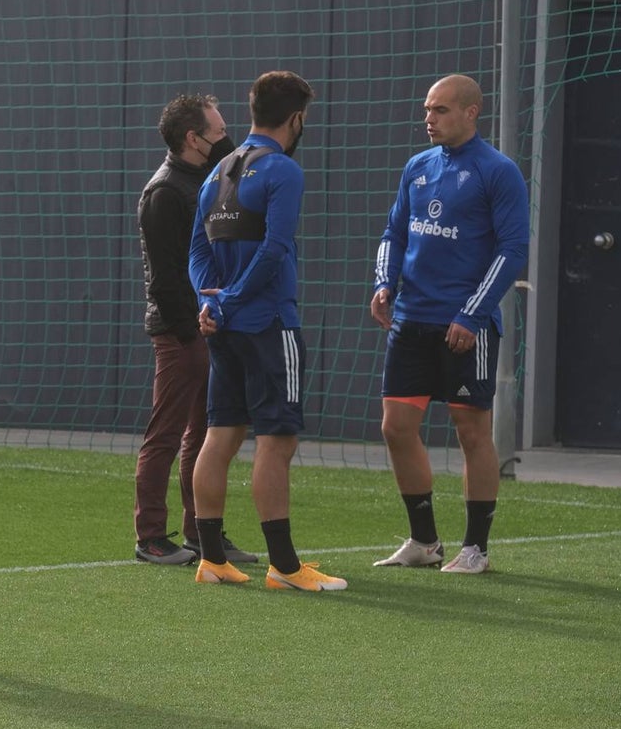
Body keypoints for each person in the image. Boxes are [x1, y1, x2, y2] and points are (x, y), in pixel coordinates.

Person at [188, 71, 347, 591]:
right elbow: (275, 248)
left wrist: (209, 301)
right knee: (276, 442)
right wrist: (230, 299)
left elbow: (196, 251)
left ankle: (211, 559)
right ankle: (284, 566)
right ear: (296, 118)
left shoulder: (218, 171)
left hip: (225, 328)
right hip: (271, 324)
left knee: (220, 435)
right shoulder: (282, 169)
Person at [371, 74, 530, 574]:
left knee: (471, 432)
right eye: (426, 110)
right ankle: (424, 542)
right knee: (396, 428)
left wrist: (471, 313)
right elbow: (394, 231)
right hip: (411, 320)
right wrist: (383, 282)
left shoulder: (498, 171)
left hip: (466, 326)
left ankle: (475, 548)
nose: (429, 119)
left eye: (439, 110)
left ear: (471, 112)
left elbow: (513, 251)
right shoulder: (418, 166)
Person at [133, 94, 258, 566]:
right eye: (218, 129)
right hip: (182, 332)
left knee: (205, 433)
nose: (227, 136)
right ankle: (150, 538)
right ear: (193, 139)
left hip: (209, 327)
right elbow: (165, 278)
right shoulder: (165, 192)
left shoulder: (207, 179)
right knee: (167, 433)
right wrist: (192, 332)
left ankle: (202, 531)